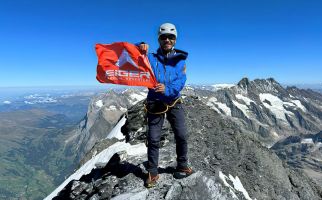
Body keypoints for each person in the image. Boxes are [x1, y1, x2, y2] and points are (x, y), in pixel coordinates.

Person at [138, 22, 193, 188]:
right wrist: (140, 46)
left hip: (174, 101)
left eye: (170, 37)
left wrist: (167, 89)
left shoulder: (180, 60)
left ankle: (182, 165)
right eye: (163, 37)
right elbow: (136, 56)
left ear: (175, 40)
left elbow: (181, 81)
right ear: (159, 39)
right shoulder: (150, 58)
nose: (167, 40)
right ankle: (153, 172)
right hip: (155, 102)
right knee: (153, 138)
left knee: (182, 135)